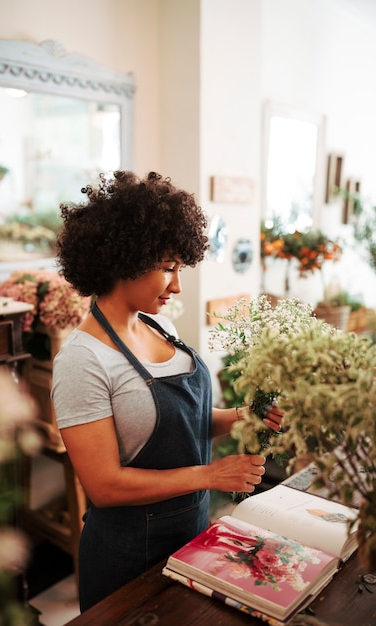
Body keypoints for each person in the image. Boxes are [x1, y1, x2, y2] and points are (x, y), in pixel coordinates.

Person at [51, 170, 282, 612]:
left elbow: (183, 423)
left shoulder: (161, 326)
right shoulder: (82, 361)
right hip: (127, 557)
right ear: (125, 260)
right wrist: (212, 475)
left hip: (193, 530)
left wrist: (241, 415)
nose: (177, 285)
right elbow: (104, 486)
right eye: (168, 268)